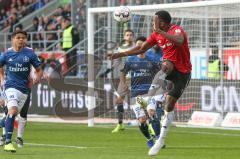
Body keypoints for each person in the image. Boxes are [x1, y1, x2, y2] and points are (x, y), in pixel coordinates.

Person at [109, 10, 192, 156]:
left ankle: (161, 140)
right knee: (166, 64)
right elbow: (141, 48)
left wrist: (160, 31)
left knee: (169, 105)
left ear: (163, 22)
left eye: (155, 20)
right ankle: (151, 93)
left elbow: (179, 41)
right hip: (169, 68)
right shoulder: (156, 35)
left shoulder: (176, 29)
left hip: (183, 74)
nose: (152, 23)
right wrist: (121, 54)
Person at [0, 30, 43, 152]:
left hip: (24, 89)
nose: (21, 40)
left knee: (10, 116)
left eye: (23, 38)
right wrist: (2, 79)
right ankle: (8, 142)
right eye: (18, 37)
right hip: (10, 87)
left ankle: (3, 124)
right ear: (13, 39)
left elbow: (39, 69)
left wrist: (37, 77)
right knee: (12, 111)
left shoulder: (30, 54)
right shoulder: (6, 54)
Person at [121, 36, 164, 148]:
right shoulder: (130, 60)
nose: (140, 47)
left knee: (151, 113)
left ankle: (159, 138)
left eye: (143, 44)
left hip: (149, 93)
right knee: (142, 119)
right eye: (138, 44)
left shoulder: (152, 60)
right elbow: (123, 72)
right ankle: (149, 139)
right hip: (136, 95)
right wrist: (124, 83)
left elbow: (160, 73)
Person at [111, 29, 135, 133]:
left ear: (133, 37)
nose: (129, 36)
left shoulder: (137, 47)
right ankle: (120, 124)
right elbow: (117, 63)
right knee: (119, 100)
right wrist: (111, 65)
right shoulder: (120, 49)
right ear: (124, 37)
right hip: (124, 78)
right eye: (127, 35)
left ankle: (151, 123)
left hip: (137, 77)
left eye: (130, 35)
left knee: (143, 101)